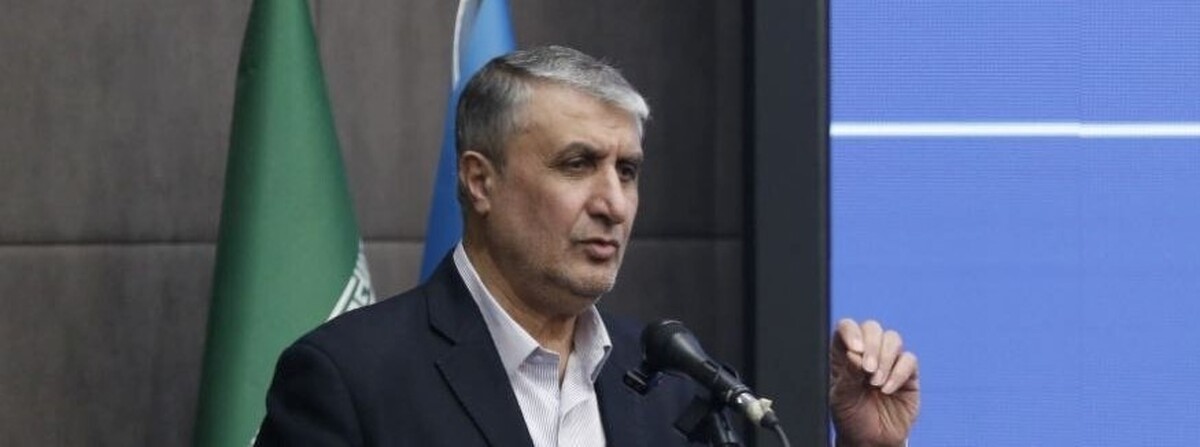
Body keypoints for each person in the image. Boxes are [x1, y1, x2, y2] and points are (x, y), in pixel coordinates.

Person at [255, 45, 918, 446]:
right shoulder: (352, 378)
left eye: (627, 171)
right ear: (481, 181)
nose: (613, 204)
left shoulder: (671, 385)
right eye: (577, 165)